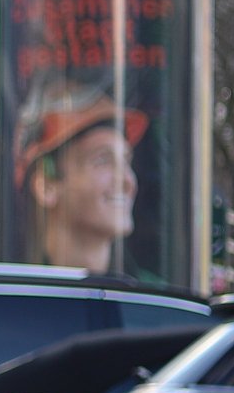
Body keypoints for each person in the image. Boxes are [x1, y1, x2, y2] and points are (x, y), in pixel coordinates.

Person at [14, 83, 142, 274]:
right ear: (47, 186)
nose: (127, 181)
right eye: (102, 161)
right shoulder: (13, 297)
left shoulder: (148, 298)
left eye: (126, 161)